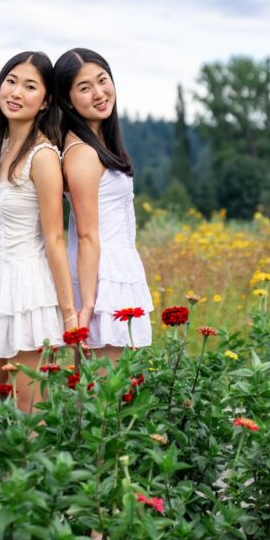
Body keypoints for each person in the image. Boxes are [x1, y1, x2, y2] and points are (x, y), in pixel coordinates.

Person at [0, 51, 77, 416]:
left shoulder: (43, 157)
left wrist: (69, 314)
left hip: (29, 294)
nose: (16, 92)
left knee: (30, 416)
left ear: (44, 102)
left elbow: (55, 238)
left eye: (30, 86)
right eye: (11, 81)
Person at [54, 47, 153, 360]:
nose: (99, 93)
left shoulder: (97, 144)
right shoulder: (82, 153)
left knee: (114, 391)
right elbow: (86, 234)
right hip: (100, 277)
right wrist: (87, 305)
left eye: (102, 80)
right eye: (85, 88)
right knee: (104, 394)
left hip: (112, 269)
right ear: (68, 99)